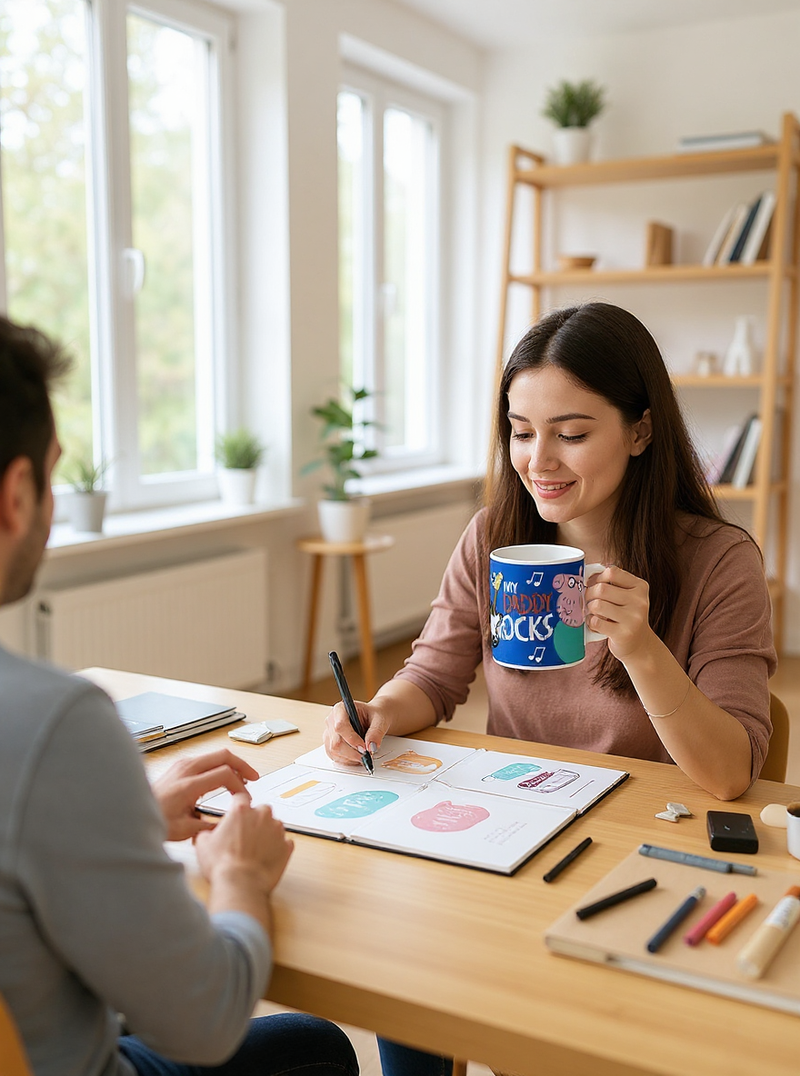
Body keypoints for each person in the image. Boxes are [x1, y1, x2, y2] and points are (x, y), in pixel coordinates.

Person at [323, 301, 777, 1076]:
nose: (539, 459)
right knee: (403, 966)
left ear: (639, 431)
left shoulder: (719, 561)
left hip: (637, 854)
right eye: (520, 430)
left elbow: (732, 771)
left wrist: (639, 648)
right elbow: (434, 673)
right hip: (509, 823)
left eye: (570, 433)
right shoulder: (495, 535)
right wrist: (378, 712)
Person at [0, 314, 359, 1076]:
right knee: (316, 1050)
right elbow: (204, 1021)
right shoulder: (49, 724)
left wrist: (114, 817)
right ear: (16, 494)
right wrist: (239, 876)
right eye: (56, 474)